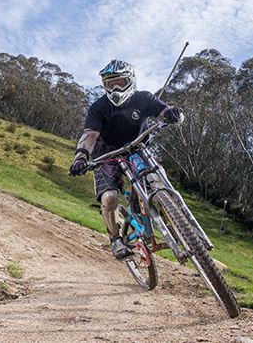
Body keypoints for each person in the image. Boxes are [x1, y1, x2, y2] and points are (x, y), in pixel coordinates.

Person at [68, 59, 182, 259]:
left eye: (120, 82)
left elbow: (165, 111)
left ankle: (174, 217)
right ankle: (115, 239)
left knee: (158, 176)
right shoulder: (99, 107)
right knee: (110, 197)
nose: (116, 88)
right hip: (106, 154)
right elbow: (90, 136)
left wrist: (173, 113)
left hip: (137, 150)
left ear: (131, 81)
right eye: (111, 84)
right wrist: (80, 157)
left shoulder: (144, 98)